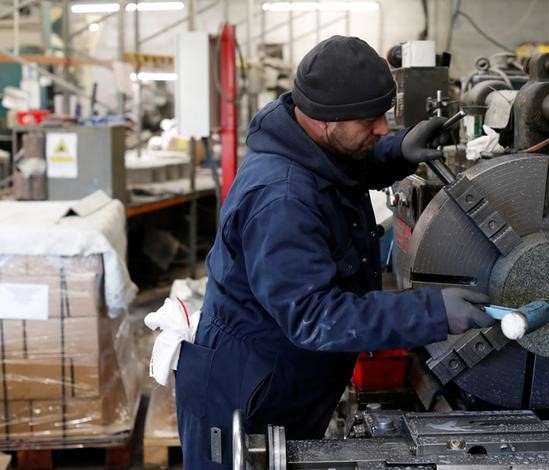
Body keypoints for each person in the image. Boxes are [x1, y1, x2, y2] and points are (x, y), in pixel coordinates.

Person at [175, 35, 493, 468]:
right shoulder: (281, 200)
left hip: (282, 379)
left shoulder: (305, 142)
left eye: (385, 115)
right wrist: (432, 313)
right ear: (325, 119)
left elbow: (339, 165)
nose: (382, 126)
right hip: (246, 400)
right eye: (370, 120)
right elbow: (314, 317)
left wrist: (395, 152)